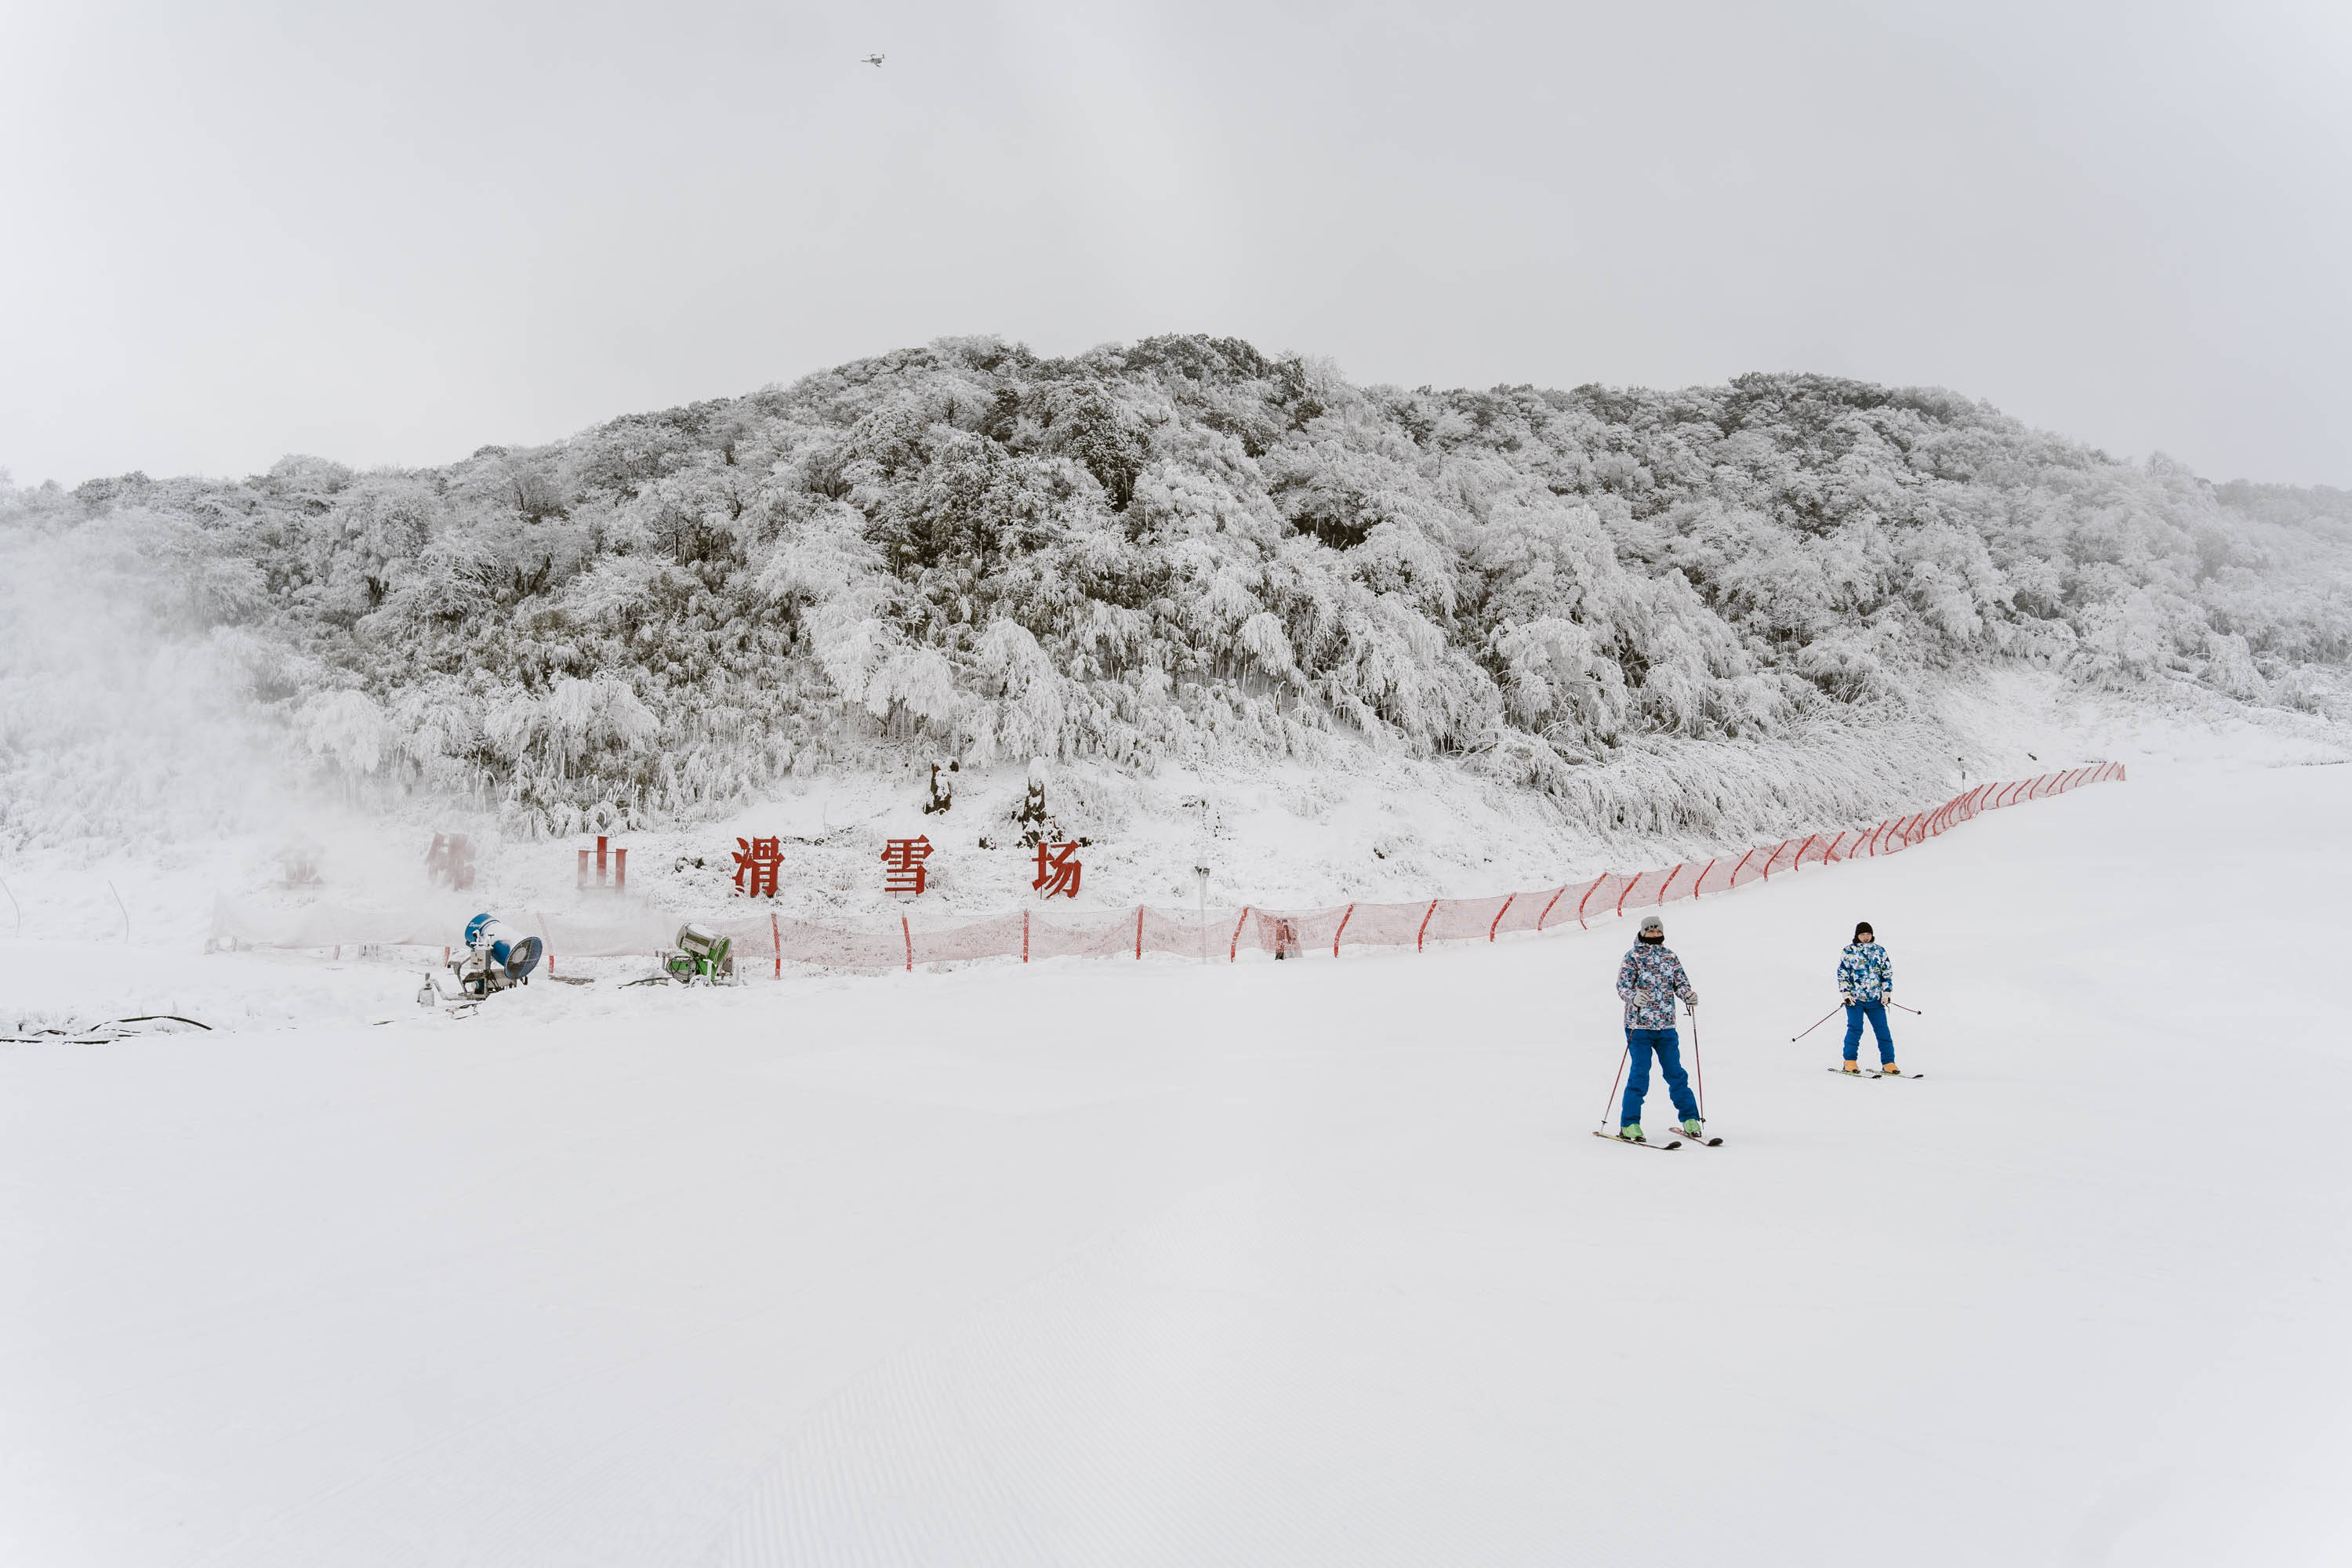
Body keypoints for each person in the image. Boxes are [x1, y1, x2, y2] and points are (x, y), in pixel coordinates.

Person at [1614, 914, 1700, 1142]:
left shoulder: (1670, 957)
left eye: (1657, 931)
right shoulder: (1633, 957)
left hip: (1666, 1025)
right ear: (1643, 932)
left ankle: (1691, 1119)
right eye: (1650, 931)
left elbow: (1681, 983)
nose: (1654, 934)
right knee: (1640, 1074)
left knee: (1676, 1073)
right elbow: (1622, 986)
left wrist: (1688, 995)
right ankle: (1630, 1124)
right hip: (1639, 1026)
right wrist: (1633, 997)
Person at [1837, 920, 1896, 1074]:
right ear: (1857, 935)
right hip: (1855, 1000)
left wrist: (1886, 993)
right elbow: (1843, 973)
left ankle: (1889, 1063)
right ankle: (1849, 1062)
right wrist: (1846, 994)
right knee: (1855, 1029)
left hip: (1876, 1000)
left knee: (1883, 1031)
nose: (1866, 937)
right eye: (1862, 934)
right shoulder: (1849, 951)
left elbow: (1887, 973)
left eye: (1868, 934)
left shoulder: (1880, 951)